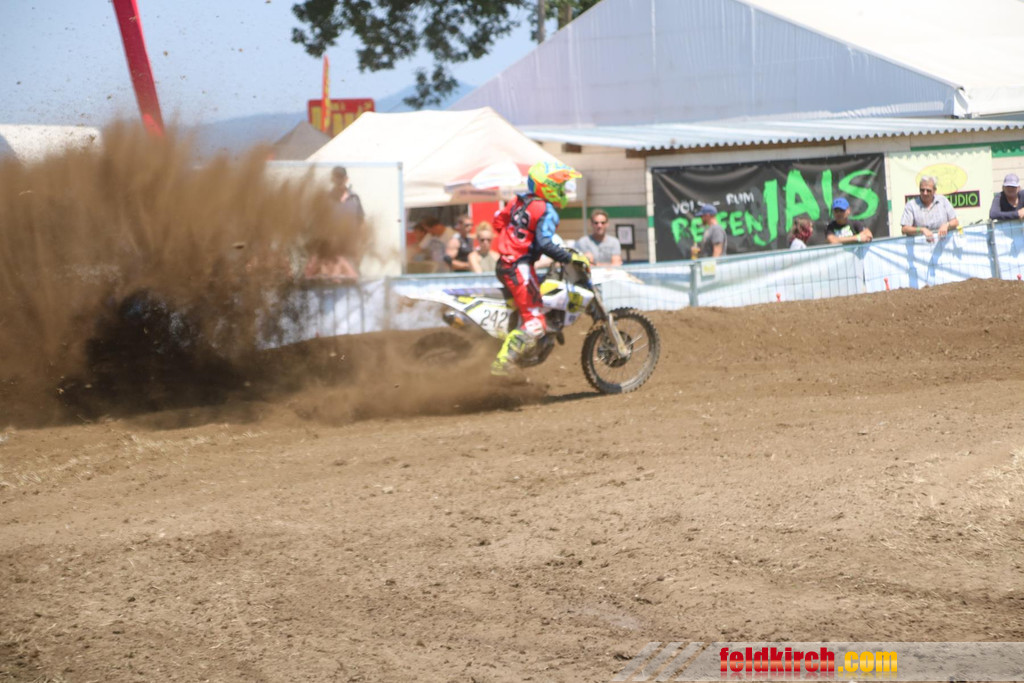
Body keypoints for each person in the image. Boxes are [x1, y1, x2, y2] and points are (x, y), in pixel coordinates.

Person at [490, 160, 584, 376]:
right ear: (547, 187)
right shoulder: (546, 210)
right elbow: (545, 243)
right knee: (536, 322)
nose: (563, 190)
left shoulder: (518, 200)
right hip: (518, 267)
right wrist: (567, 257)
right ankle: (503, 363)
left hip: (504, 263)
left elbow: (497, 222)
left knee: (530, 305)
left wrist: (514, 238)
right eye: (559, 186)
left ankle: (517, 343)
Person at [901, 175, 959, 243]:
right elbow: (904, 229)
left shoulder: (943, 200)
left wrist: (947, 225)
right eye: (922, 190)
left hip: (943, 245)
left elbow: (955, 222)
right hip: (921, 246)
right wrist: (921, 230)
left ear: (934, 190)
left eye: (928, 190)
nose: (925, 193)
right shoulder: (911, 205)